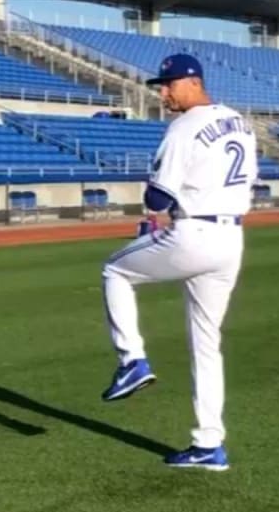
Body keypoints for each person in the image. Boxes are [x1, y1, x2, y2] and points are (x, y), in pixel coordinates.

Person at [99, 53, 258, 472]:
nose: (163, 92)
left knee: (115, 271)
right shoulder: (240, 120)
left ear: (193, 82)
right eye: (161, 84)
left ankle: (131, 359)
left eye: (169, 84)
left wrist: (154, 214)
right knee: (207, 345)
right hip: (231, 238)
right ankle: (209, 444)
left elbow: (158, 199)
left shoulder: (184, 126)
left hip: (194, 233)